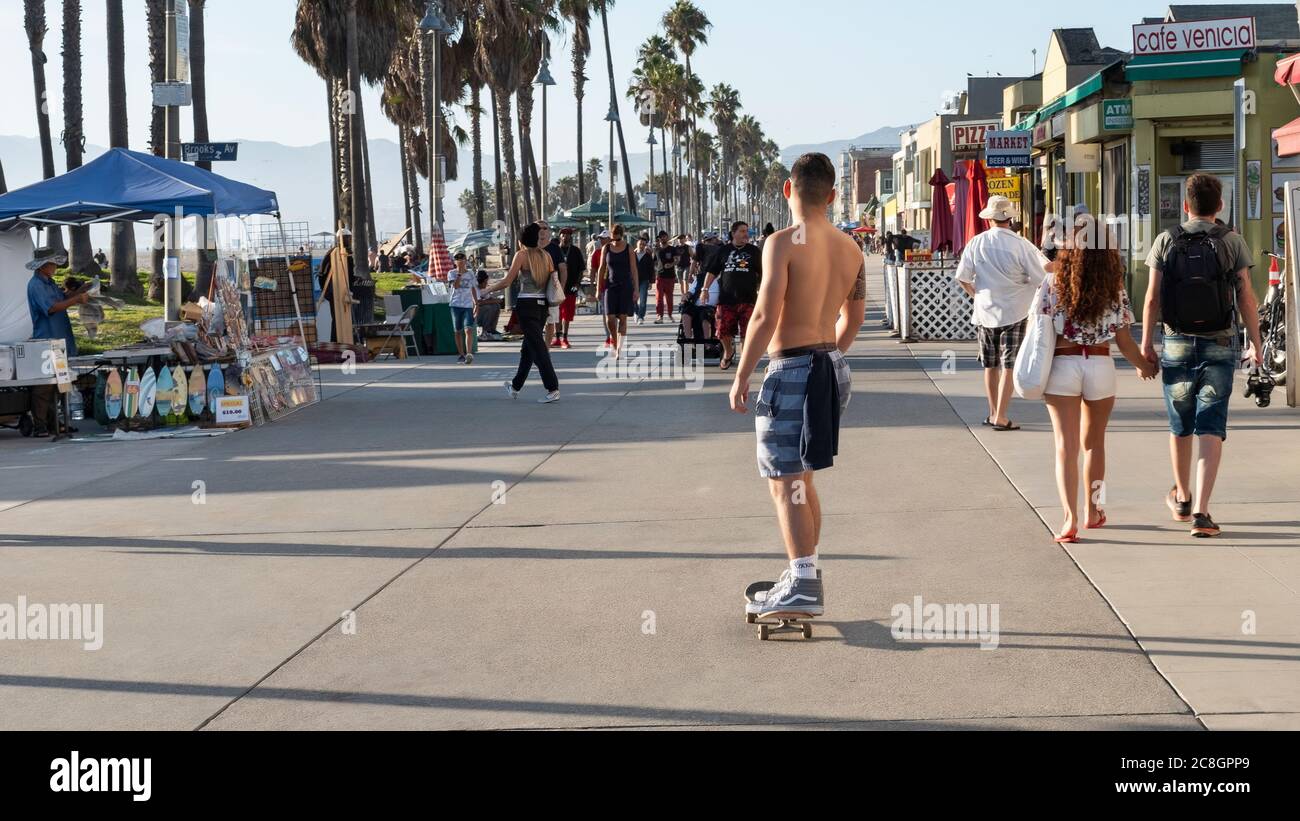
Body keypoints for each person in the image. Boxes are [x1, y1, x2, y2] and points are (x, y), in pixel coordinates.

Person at [728, 153, 865, 620]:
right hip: (831, 365)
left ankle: (804, 583)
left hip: (791, 369)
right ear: (831, 195)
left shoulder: (781, 242)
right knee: (802, 478)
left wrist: (743, 372)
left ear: (788, 190)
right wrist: (830, 357)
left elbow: (766, 314)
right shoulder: (852, 249)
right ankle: (803, 570)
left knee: (785, 482)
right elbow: (856, 316)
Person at [1142, 174, 1263, 538]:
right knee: (1210, 425)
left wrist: (1146, 345)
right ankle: (1202, 513)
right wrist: (1256, 341)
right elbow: (1246, 297)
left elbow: (1151, 298)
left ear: (1185, 205)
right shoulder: (1232, 241)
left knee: (1180, 423)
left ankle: (1180, 496)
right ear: (1220, 206)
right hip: (1220, 341)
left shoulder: (1166, 240)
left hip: (1176, 341)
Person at [1039, 218, 1158, 543]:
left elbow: (1040, 328)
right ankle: (1094, 511)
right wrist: (1143, 366)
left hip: (1063, 365)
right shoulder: (1114, 287)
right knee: (1094, 445)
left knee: (1065, 448)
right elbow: (1124, 340)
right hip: (1100, 366)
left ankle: (1069, 519)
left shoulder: (1053, 283)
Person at [954, 195, 1048, 432]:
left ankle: (992, 412)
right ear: (1010, 219)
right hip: (1015, 309)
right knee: (1009, 365)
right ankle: (1002, 415)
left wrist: (977, 294)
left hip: (985, 311)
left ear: (990, 219)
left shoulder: (976, 242)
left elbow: (962, 278)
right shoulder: (1021, 244)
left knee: (990, 365)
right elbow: (1040, 278)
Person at [482, 223, 562, 403]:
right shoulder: (546, 255)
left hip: (527, 305)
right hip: (542, 307)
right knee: (528, 349)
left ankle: (552, 387)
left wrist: (487, 291)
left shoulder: (522, 255)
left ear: (521, 240)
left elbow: (507, 281)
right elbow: (553, 281)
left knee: (539, 348)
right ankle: (515, 386)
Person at [26, 247, 87, 437]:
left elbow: (62, 299)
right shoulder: (35, 285)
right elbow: (52, 308)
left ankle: (57, 422)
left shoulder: (49, 283)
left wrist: (81, 291)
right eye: (52, 263)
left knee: (61, 384)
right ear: (43, 266)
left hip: (60, 340)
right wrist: (77, 299)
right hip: (47, 341)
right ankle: (40, 425)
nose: (55, 267)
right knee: (44, 385)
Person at [701, 221, 762, 370]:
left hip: (748, 299)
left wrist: (762, 291)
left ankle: (743, 360)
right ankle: (728, 351)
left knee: (747, 332)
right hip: (726, 299)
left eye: (746, 231)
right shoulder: (723, 251)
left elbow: (763, 273)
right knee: (722, 331)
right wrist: (705, 289)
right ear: (733, 233)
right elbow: (712, 271)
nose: (745, 234)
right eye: (742, 231)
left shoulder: (754, 251)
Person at [597, 224, 637, 359]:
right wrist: (598, 288)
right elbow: (601, 269)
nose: (615, 242)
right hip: (610, 286)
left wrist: (636, 289)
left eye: (618, 240)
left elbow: (634, 270)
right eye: (613, 239)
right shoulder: (606, 248)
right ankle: (614, 341)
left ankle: (620, 348)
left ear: (622, 236)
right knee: (610, 318)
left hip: (625, 286)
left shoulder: (629, 248)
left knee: (623, 318)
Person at [448, 252, 478, 364]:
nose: (460, 261)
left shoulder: (470, 274)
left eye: (462, 259)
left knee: (468, 329)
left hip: (467, 305)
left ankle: (469, 353)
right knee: (457, 331)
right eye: (457, 259)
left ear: (466, 261)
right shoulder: (451, 273)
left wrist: (476, 303)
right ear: (454, 261)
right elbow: (455, 286)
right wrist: (459, 274)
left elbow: (473, 288)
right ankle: (461, 354)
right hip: (455, 304)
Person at [557, 228, 585, 349]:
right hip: (556, 287)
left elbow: (581, 270)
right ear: (560, 236)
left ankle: (565, 338)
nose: (565, 237)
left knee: (567, 314)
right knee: (556, 313)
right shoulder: (555, 250)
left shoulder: (575, 251)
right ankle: (557, 338)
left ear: (571, 237)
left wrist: (577, 284)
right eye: (563, 234)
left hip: (571, 287)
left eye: (568, 235)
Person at [539, 222, 565, 348]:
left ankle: (546, 349)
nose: (542, 231)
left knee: (550, 322)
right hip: (534, 291)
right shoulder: (529, 248)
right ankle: (537, 348)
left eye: (545, 228)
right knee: (536, 322)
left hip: (551, 290)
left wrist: (562, 289)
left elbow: (563, 269)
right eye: (539, 228)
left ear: (548, 231)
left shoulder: (555, 248)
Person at [653, 231, 678, 324]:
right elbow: (654, 262)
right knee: (659, 297)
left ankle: (670, 315)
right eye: (661, 237)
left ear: (667, 237)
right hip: (660, 277)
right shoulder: (656, 249)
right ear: (659, 238)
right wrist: (656, 269)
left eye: (664, 236)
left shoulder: (672, 249)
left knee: (669, 297)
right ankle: (660, 316)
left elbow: (677, 260)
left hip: (670, 277)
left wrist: (671, 265)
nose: (663, 238)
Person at [475, 270, 504, 340]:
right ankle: (485, 330)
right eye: (486, 282)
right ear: (482, 281)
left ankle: (492, 329)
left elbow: (488, 298)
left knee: (496, 306)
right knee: (488, 307)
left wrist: (497, 300)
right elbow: (479, 302)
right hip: (474, 313)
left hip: (479, 312)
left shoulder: (482, 288)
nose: (486, 284)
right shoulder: (475, 288)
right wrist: (494, 301)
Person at [635, 235, 656, 325]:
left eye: (643, 244)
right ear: (637, 244)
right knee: (632, 300)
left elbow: (651, 269)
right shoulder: (632, 254)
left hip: (644, 280)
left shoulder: (647, 256)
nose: (641, 246)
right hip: (633, 280)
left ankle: (641, 317)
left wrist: (651, 282)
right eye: (640, 244)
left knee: (643, 300)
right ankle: (637, 312)